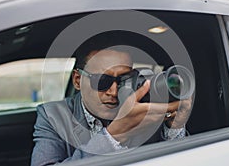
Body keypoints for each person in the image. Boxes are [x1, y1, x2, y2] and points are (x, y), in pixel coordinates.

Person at [31, 47, 192, 166]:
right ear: (78, 80)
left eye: (124, 80)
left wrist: (174, 127)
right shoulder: (52, 115)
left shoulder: (144, 109)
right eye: (102, 81)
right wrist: (114, 136)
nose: (114, 91)